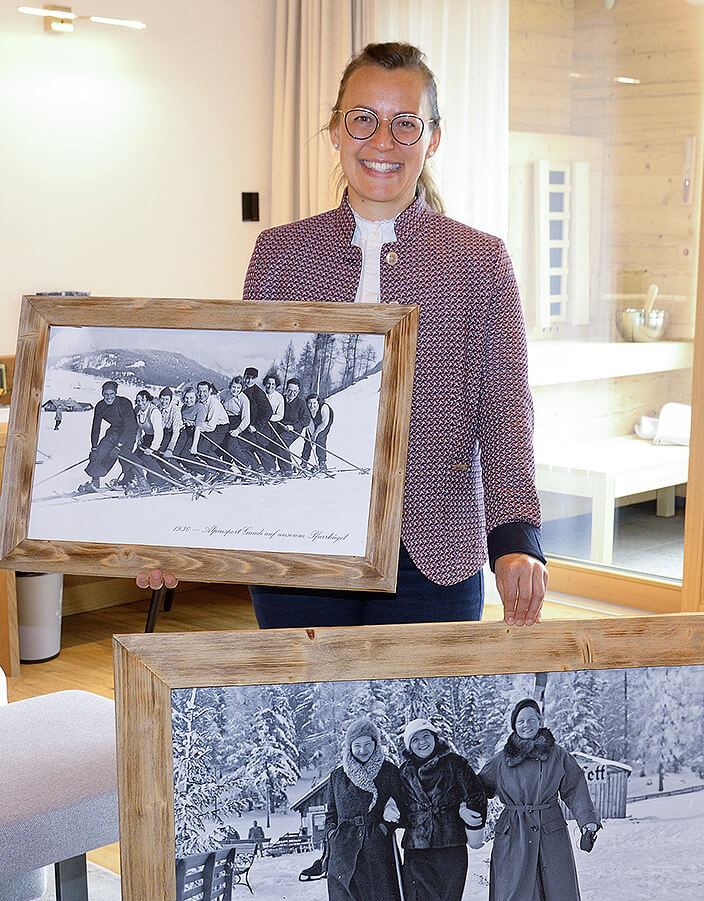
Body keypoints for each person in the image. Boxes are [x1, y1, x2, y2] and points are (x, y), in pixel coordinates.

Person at [136, 42, 547, 627]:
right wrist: (172, 529)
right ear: (335, 129)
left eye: (406, 123)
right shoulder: (280, 253)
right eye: (363, 119)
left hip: (433, 552)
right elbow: (250, 401)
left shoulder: (477, 258)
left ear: (433, 138)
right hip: (296, 541)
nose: (382, 141)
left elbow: (504, 405)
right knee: (301, 718)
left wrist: (516, 534)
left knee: (426, 720)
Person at [476, 698, 600, 901]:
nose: (526, 725)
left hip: (548, 829)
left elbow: (575, 788)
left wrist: (587, 822)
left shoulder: (557, 755)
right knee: (510, 893)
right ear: (514, 726)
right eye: (521, 721)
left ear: (540, 722)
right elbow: (478, 788)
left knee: (542, 888)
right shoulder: (502, 758)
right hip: (513, 830)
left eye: (532, 720)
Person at [393, 718, 486, 901]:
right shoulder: (405, 773)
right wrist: (391, 812)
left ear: (435, 738)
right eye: (415, 740)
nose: (422, 743)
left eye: (426, 737)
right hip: (417, 846)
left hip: (451, 842)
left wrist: (471, 813)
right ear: (409, 745)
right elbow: (401, 811)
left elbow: (476, 794)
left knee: (447, 899)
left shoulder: (455, 764)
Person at [317, 715, 404, 901]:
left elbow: (401, 808)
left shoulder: (388, 771)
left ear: (375, 745)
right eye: (357, 745)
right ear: (349, 747)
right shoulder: (337, 776)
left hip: (377, 846)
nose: (363, 750)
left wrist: (385, 827)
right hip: (344, 849)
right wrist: (332, 833)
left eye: (368, 744)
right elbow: (330, 814)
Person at [80, 379, 142, 494]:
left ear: (115, 394)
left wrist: (119, 446)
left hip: (129, 432)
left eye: (111, 394)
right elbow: (96, 428)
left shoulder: (124, 403)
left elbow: (130, 427)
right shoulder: (100, 406)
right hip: (114, 431)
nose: (109, 397)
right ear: (102, 394)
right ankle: (95, 481)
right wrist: (94, 448)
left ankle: (139, 480)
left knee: (123, 455)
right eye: (106, 394)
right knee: (100, 451)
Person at [302, 394, 335, 473]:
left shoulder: (324, 408)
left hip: (325, 422)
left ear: (318, 403)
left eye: (314, 403)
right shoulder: (306, 410)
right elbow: (309, 424)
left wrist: (316, 433)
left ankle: (322, 463)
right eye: (309, 403)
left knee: (320, 440)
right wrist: (312, 436)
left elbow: (324, 423)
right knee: (308, 440)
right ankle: (304, 462)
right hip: (313, 423)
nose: (312, 406)